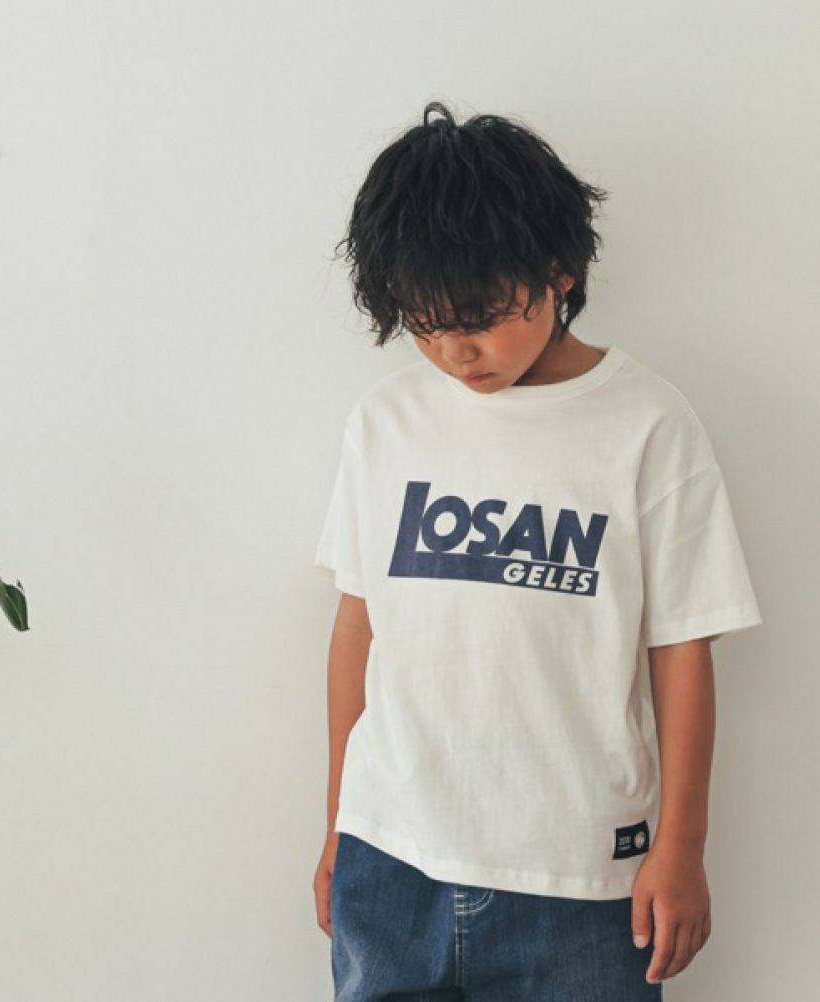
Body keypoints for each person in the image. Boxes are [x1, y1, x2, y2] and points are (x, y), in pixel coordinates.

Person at [311, 100, 763, 1001]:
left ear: (559, 271)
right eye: (425, 325)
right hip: (391, 861)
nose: (456, 352)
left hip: (580, 880)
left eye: (479, 317)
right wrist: (338, 825)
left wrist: (682, 846)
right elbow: (358, 627)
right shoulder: (388, 422)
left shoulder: (647, 426)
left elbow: (683, 647)